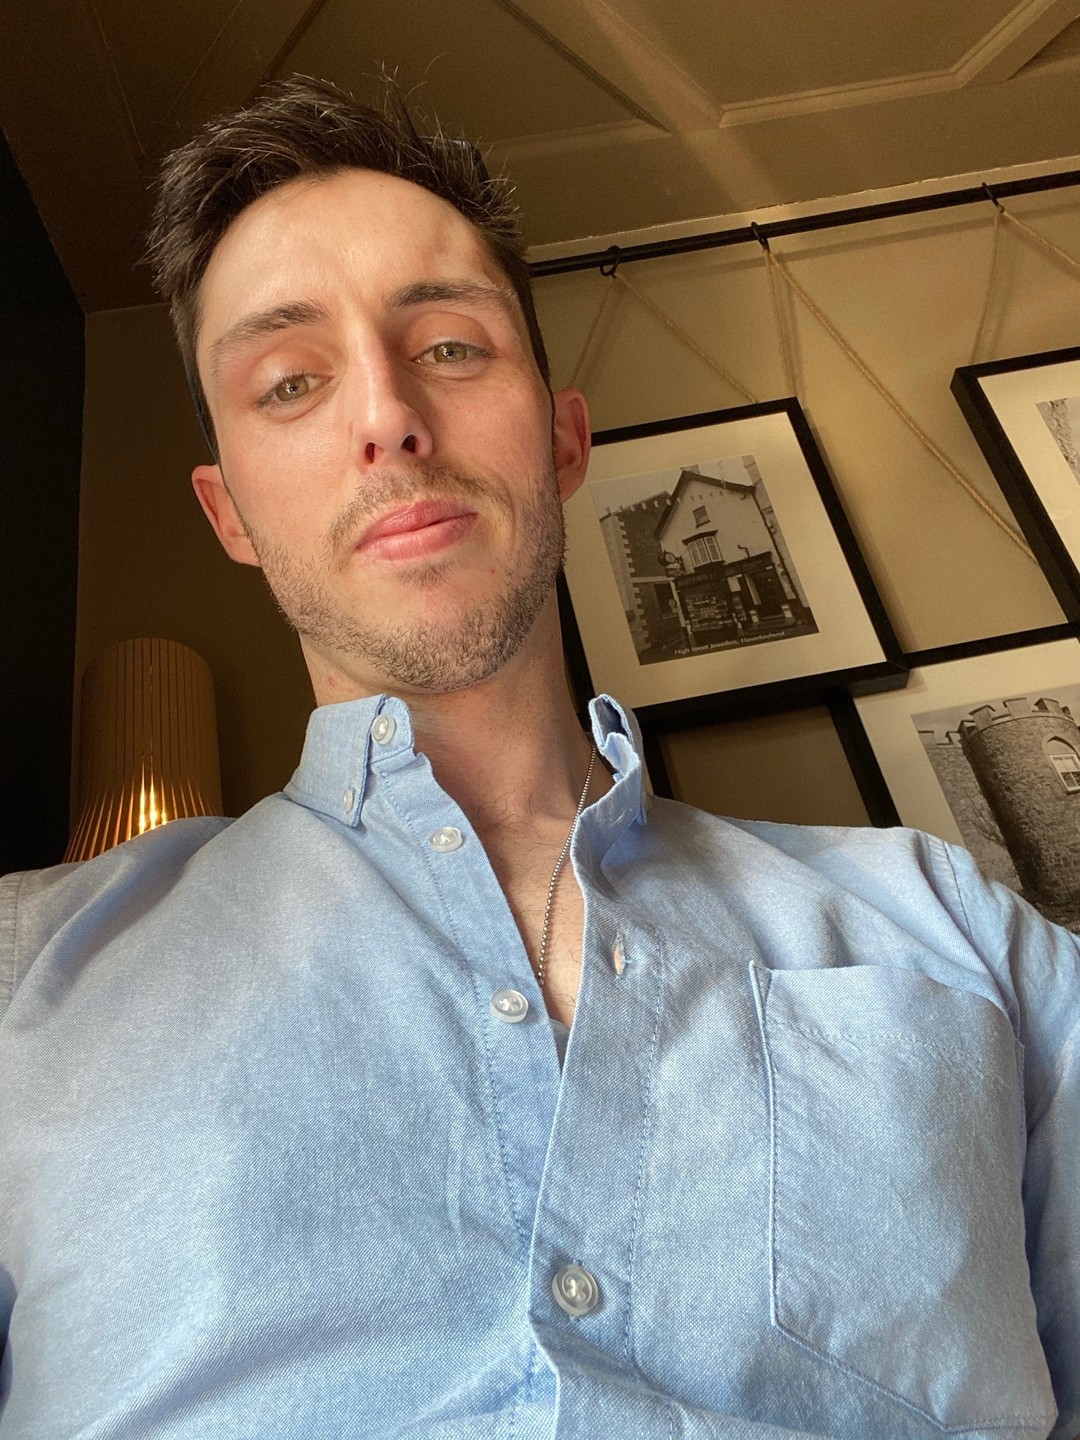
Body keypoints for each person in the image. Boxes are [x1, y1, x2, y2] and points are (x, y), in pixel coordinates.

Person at [0, 76, 1077, 1440]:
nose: (386, 415)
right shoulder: (25, 977)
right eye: (290, 382)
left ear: (564, 441)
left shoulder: (964, 934)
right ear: (230, 515)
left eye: (450, 346)